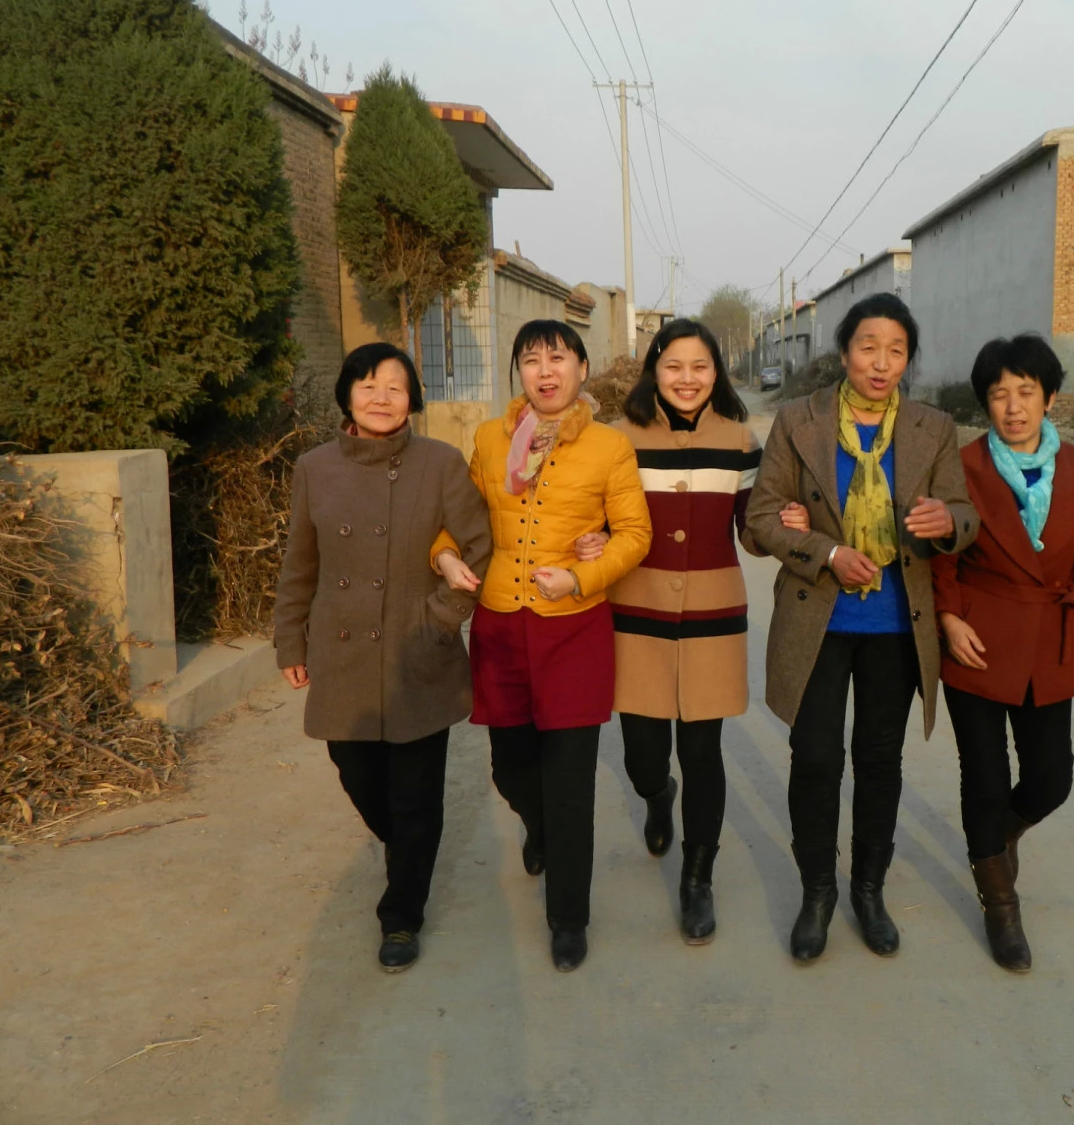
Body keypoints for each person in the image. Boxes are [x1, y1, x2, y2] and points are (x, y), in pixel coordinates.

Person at [746, 292, 978, 962]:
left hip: (897, 623)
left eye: (896, 351)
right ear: (845, 351)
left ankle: (869, 890)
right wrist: (825, 553)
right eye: (868, 347)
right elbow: (761, 517)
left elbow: (964, 513)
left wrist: (947, 521)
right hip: (818, 617)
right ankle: (817, 892)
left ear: (908, 360)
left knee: (880, 761)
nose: (881, 363)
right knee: (817, 757)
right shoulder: (799, 421)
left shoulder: (933, 427)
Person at [430, 320, 650, 972]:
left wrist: (583, 573)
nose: (545, 371)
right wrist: (444, 556)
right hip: (501, 623)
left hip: (574, 626)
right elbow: (458, 519)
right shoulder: (489, 438)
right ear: (519, 372)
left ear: (582, 368)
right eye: (531, 359)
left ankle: (568, 918)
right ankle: (541, 824)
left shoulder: (610, 446)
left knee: (571, 780)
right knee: (510, 766)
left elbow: (634, 534)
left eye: (558, 358)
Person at [273, 342, 492, 974]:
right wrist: (290, 640)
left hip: (415, 647)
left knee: (416, 794)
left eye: (395, 387)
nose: (381, 397)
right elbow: (300, 564)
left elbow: (478, 544)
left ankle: (401, 914)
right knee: (358, 773)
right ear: (347, 394)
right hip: (341, 649)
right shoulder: (314, 467)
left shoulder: (440, 463)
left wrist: (443, 616)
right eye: (367, 385)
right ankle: (408, 851)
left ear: (412, 399)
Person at [932, 334, 1074, 972]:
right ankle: (1001, 905)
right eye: (999, 395)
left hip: (1052, 641)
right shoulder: (962, 466)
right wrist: (949, 619)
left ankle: (999, 837)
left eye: (1026, 392)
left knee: (1051, 778)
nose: (1013, 407)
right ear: (985, 403)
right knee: (984, 778)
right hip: (978, 639)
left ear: (1050, 398)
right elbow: (939, 556)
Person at [573, 319, 761, 943]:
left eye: (700, 366)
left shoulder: (740, 440)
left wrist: (780, 522)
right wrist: (593, 540)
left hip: (713, 617)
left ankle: (697, 878)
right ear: (654, 369)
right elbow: (599, 517)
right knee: (643, 755)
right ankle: (657, 796)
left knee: (703, 752)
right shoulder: (618, 440)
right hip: (637, 615)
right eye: (674, 366)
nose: (687, 379)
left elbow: (752, 531)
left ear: (717, 372)